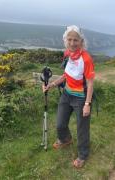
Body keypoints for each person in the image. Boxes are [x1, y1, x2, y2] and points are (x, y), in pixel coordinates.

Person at [43, 25, 95, 168]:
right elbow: (67, 75)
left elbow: (90, 83)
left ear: (81, 41)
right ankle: (65, 139)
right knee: (60, 124)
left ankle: (83, 155)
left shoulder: (86, 59)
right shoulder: (67, 54)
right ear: (66, 40)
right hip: (66, 94)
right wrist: (52, 85)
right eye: (69, 39)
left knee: (82, 128)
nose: (72, 43)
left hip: (81, 98)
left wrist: (87, 104)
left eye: (75, 40)